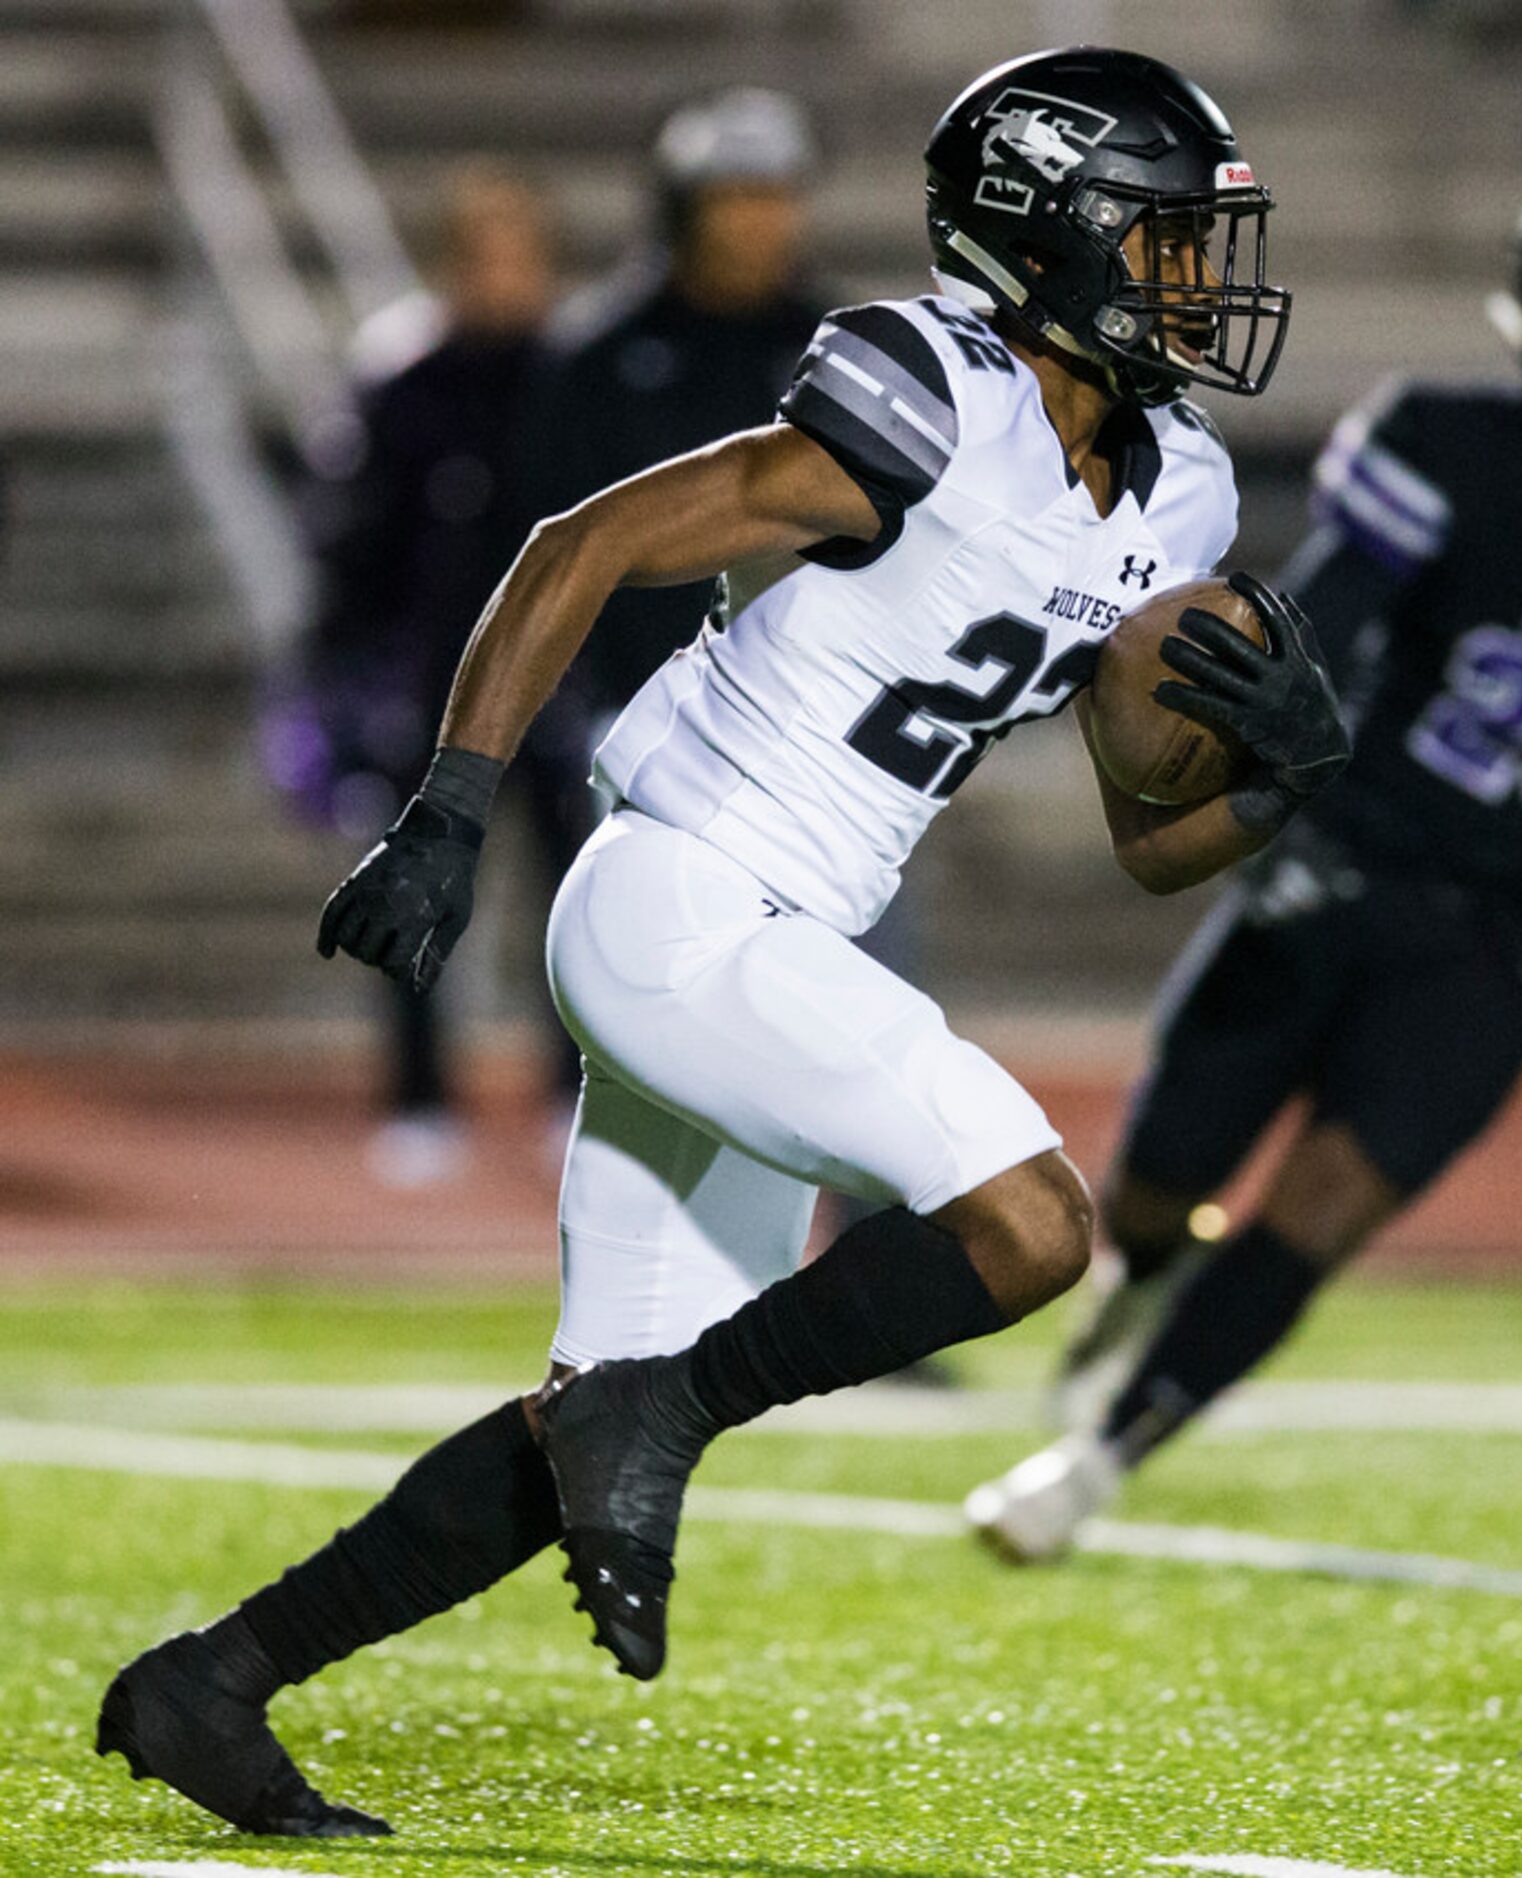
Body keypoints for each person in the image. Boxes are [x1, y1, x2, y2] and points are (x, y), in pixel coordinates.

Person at [94, 47, 1332, 1839]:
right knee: (1029, 1221)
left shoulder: (1181, 495)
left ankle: (211, 1680)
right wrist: (449, 804)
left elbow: (1154, 843)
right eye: (1161, 240)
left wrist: (1288, 780)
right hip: (681, 896)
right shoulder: (934, 391)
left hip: (774, 942)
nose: (1199, 281)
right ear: (1044, 237)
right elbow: (583, 540)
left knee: (583, 1424)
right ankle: (656, 1416)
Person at [964, 152, 1522, 1564]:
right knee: (1151, 1189)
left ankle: (1100, 1458)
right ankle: (1134, 1294)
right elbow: (1324, 631)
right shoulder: (1447, 444)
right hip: (1348, 867)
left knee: (1325, 1203)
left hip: (1510, 927)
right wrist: (1264, 794)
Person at [286, 165, 587, 1184]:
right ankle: (418, 1098)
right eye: (486, 256)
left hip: (559, 681)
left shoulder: (575, 376)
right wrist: (341, 669)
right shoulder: (402, 379)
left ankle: (573, 1088)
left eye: (521, 254)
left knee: (578, 898)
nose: (507, 276)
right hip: (431, 684)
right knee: (412, 885)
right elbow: (354, 537)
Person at [509, 86, 831, 721]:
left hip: (802, 708)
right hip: (631, 701)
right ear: (684, 206)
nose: (759, 220)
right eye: (735, 195)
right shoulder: (595, 356)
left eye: (776, 194)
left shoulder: (837, 346)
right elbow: (543, 529)